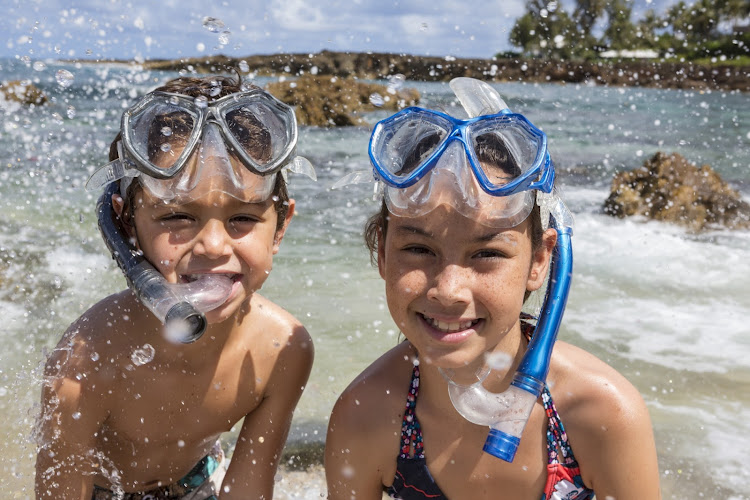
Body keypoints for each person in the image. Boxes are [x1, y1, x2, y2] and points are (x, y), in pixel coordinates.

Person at [325, 78, 660, 499]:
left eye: (486, 254)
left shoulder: (601, 415)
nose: (448, 290)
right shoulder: (366, 416)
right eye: (416, 248)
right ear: (382, 255)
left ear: (540, 261)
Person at [35, 75, 315, 499]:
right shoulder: (85, 359)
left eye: (244, 219)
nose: (215, 246)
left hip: (199, 483)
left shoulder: (282, 349)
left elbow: (249, 489)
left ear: (281, 227)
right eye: (176, 217)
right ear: (126, 225)